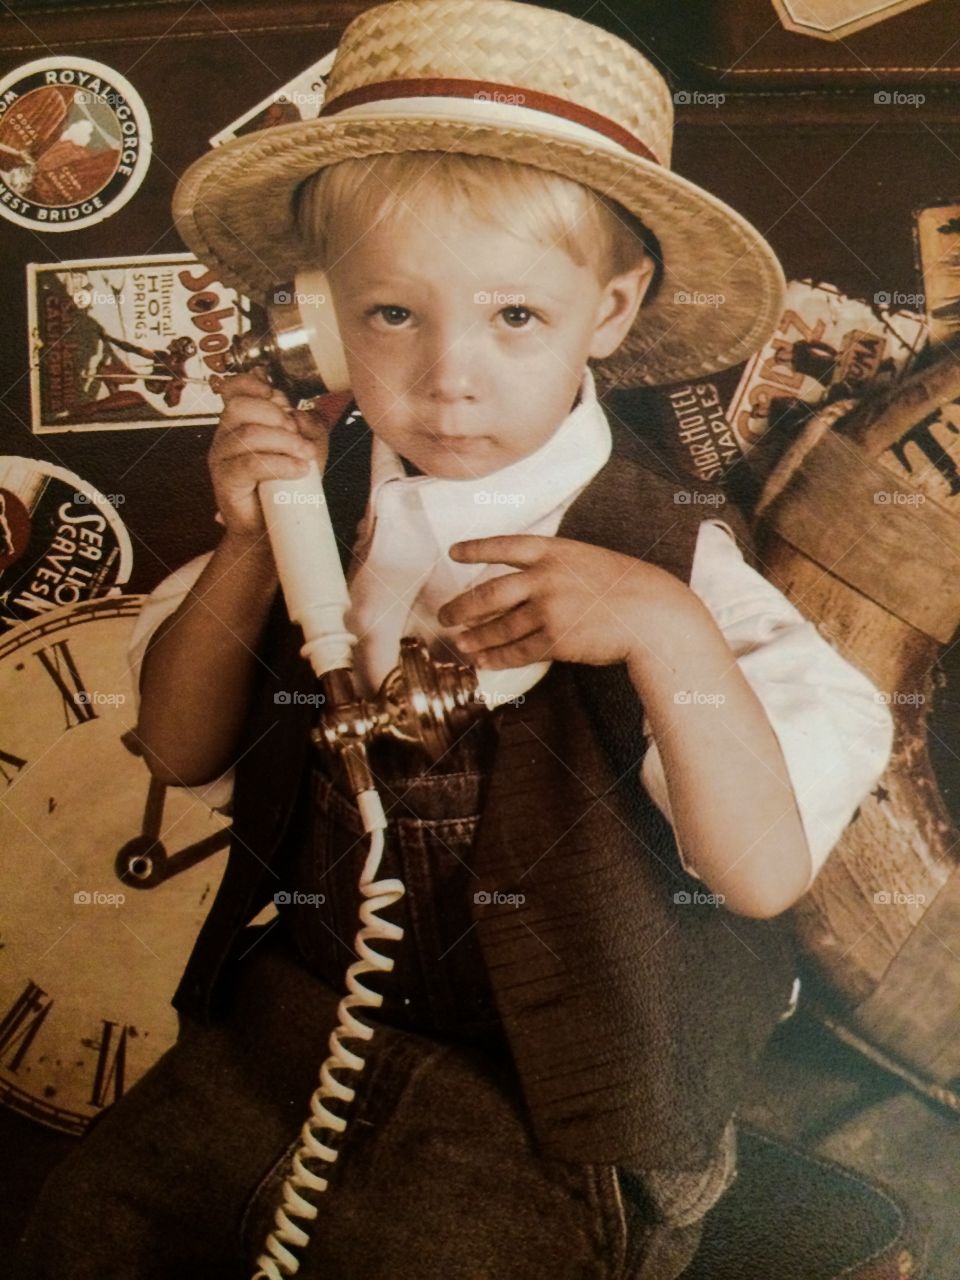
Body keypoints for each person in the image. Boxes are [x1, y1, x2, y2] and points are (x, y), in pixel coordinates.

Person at [15, 2, 894, 1277]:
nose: (449, 378)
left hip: (566, 1102)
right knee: (85, 1228)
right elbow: (177, 740)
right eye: (391, 316)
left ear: (611, 307)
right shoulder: (319, 512)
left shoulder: (680, 561)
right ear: (316, 319)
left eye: (514, 318)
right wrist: (257, 539)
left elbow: (758, 875)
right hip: (299, 1033)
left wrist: (663, 634)